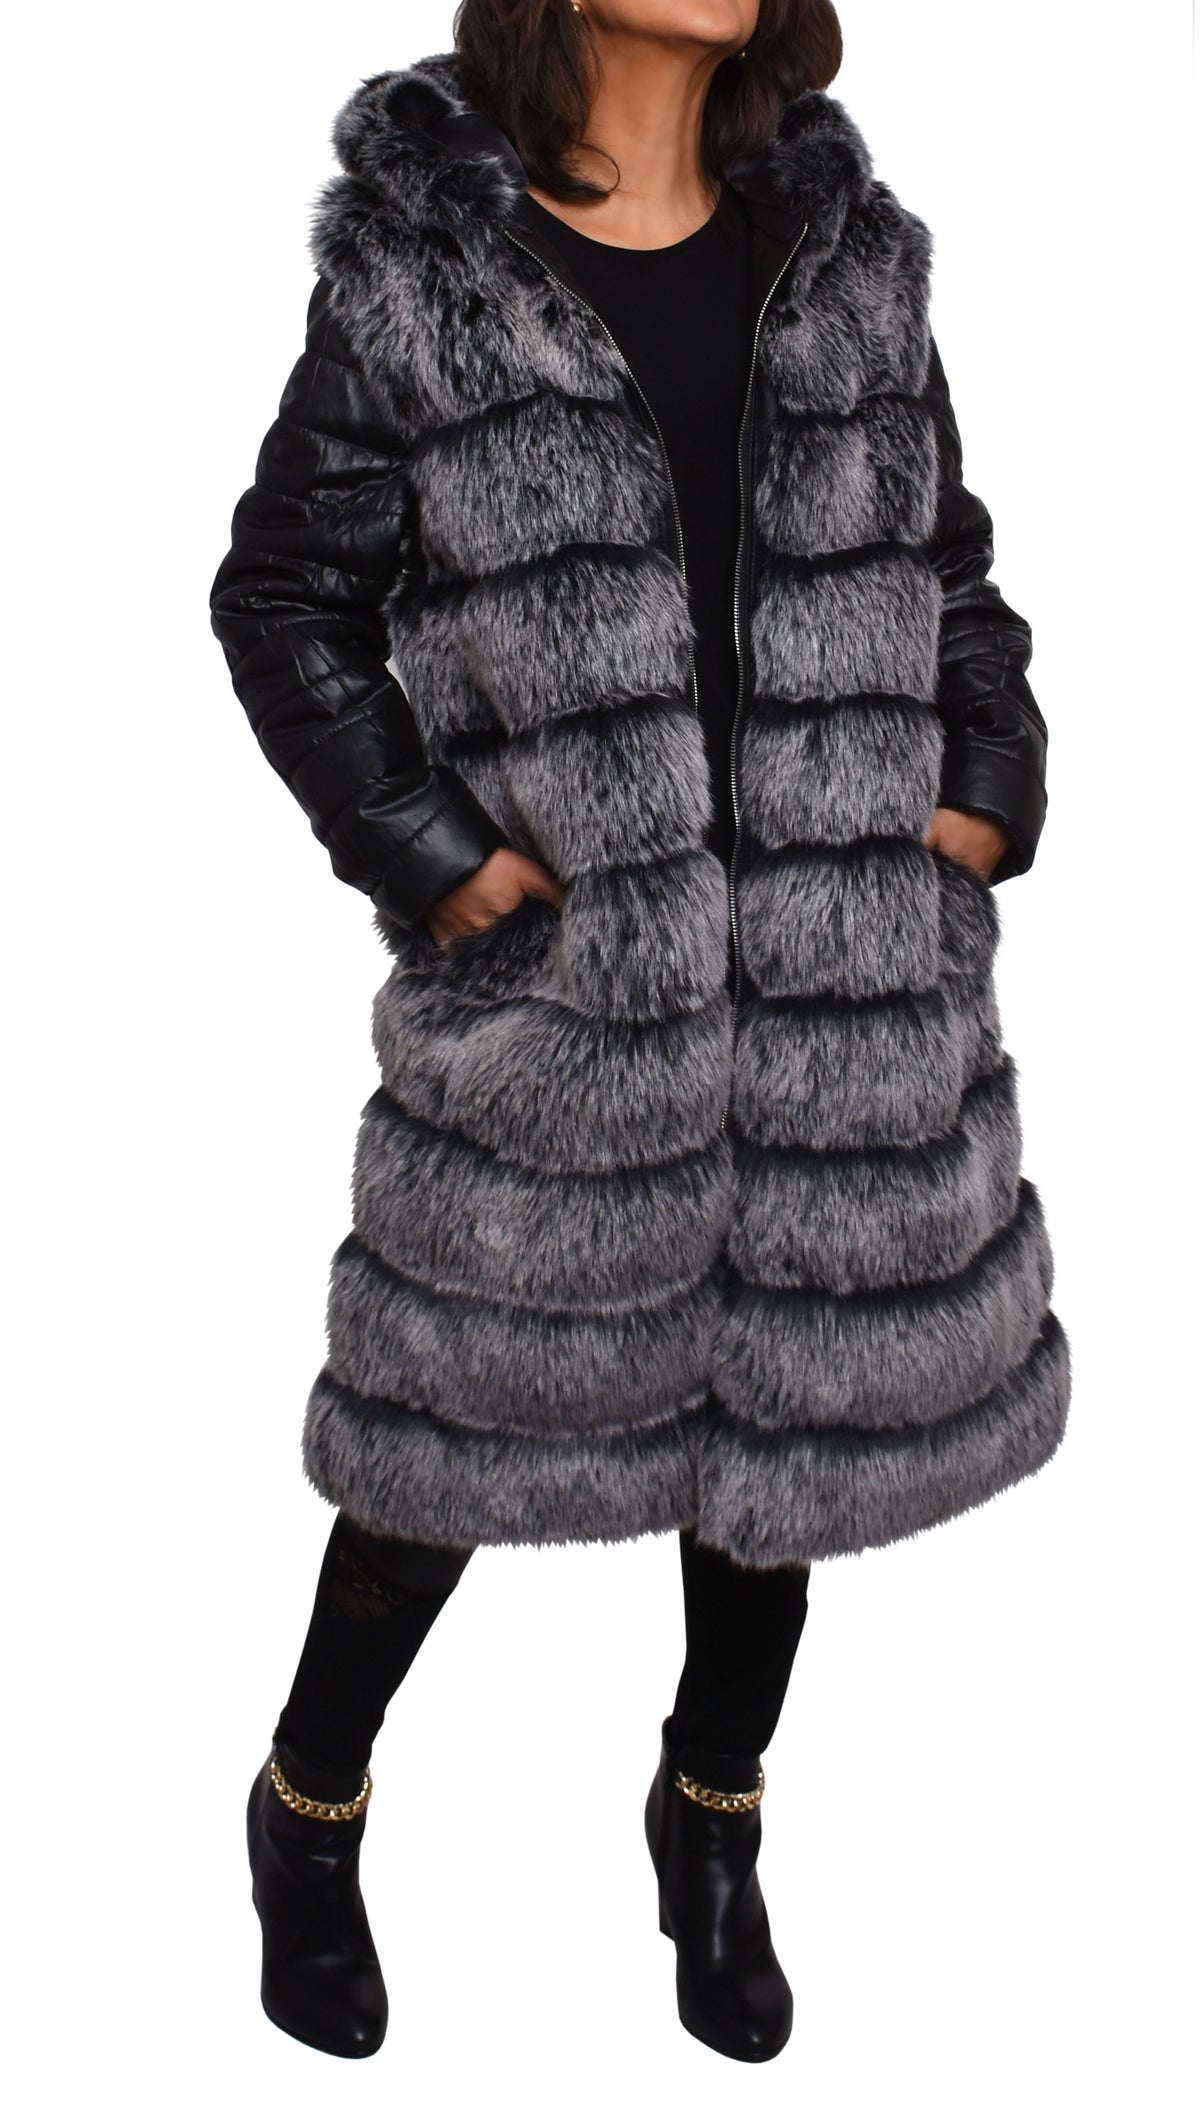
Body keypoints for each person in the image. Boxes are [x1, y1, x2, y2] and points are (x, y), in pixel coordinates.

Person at [210, 0, 1069, 2068]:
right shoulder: (432, 269)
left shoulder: (846, 262)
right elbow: (284, 599)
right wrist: (434, 856)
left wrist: (984, 784)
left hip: (846, 983)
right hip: (573, 997)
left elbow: (952, 573)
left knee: (787, 1437)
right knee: (442, 1420)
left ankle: (713, 1814)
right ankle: (307, 1803)